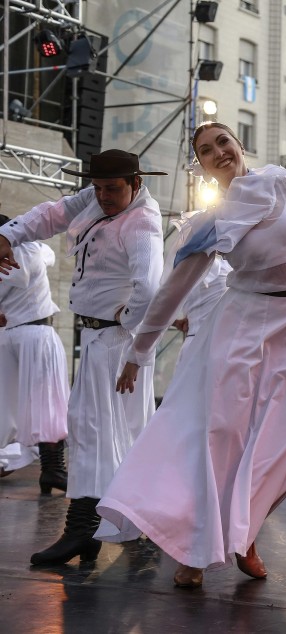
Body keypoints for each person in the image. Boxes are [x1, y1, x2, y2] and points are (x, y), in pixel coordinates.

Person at [94, 122, 286, 588]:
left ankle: (245, 526)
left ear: (240, 144)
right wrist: (138, 354)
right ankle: (198, 551)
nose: (219, 151)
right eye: (206, 150)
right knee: (225, 439)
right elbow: (169, 294)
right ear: (201, 166)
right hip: (242, 325)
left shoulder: (280, 181)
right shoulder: (209, 222)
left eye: (223, 141)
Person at [0, 150, 165, 565]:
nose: (103, 196)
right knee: (110, 433)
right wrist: (8, 236)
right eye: (98, 187)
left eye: (112, 188)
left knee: (93, 431)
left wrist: (129, 336)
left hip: (117, 342)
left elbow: (149, 288)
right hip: (100, 339)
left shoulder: (143, 223)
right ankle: (115, 524)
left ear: (136, 183)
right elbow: (52, 213)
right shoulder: (95, 199)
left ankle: (82, 529)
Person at [0, 214, 70, 491]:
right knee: (49, 403)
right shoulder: (32, 250)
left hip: (7, 337)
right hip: (37, 333)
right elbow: (48, 254)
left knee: (9, 408)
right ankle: (53, 469)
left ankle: (10, 459)